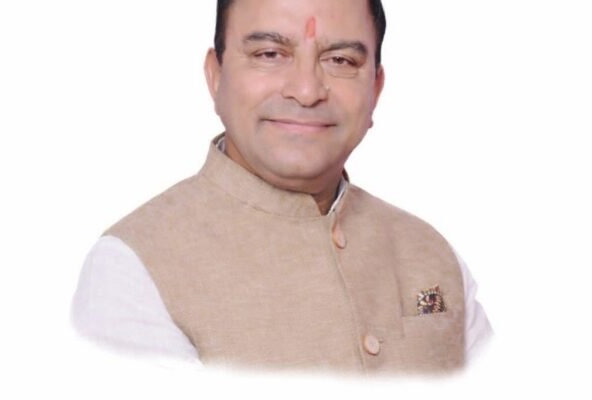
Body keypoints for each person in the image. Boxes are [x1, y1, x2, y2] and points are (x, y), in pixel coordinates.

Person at [72, 0, 492, 375]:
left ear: (376, 90)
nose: (306, 91)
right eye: (269, 54)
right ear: (215, 76)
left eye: (341, 60)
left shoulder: (431, 254)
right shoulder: (133, 267)